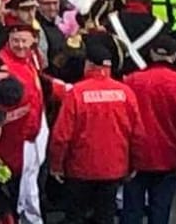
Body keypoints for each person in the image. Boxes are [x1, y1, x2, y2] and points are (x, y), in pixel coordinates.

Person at [49, 35, 139, 224]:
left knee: (75, 216)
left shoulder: (76, 93)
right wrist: (133, 164)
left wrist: (56, 165)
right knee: (105, 216)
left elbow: (61, 135)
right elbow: (137, 133)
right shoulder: (125, 92)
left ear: (88, 64)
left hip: (80, 168)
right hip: (114, 168)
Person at [122, 38, 176, 224]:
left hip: (136, 156)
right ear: (174, 56)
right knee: (160, 210)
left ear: (151, 54)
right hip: (168, 156)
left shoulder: (132, 80)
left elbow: (125, 121)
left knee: (131, 209)